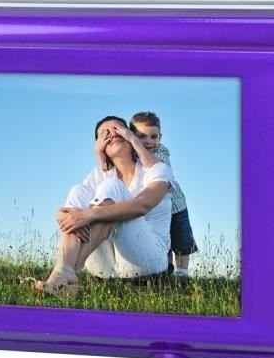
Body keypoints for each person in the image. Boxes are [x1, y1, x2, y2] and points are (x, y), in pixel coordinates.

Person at [27, 117, 174, 298]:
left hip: (148, 260)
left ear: (130, 136)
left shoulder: (156, 168)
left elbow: (142, 205)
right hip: (106, 267)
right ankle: (64, 271)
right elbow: (75, 210)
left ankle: (68, 272)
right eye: (105, 133)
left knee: (111, 188)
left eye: (117, 129)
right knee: (78, 191)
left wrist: (90, 215)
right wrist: (60, 214)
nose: (112, 135)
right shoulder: (97, 175)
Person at [127, 110, 199, 278]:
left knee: (181, 239)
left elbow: (153, 166)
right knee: (161, 238)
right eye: (141, 136)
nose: (148, 141)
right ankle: (166, 269)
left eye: (153, 137)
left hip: (175, 207)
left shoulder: (160, 152)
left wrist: (135, 142)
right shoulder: (130, 155)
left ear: (160, 137)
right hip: (154, 210)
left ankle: (182, 272)